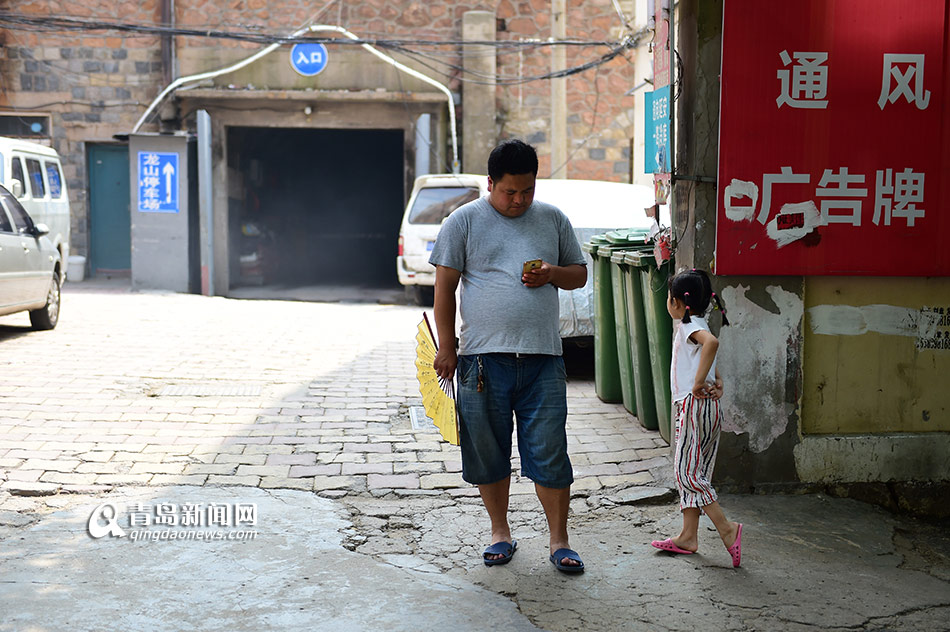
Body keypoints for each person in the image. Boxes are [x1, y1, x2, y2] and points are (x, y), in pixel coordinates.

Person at [429, 139, 588, 573]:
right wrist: (448, 346)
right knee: (488, 451)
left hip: (544, 360)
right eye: (509, 192)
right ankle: (500, 532)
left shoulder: (553, 219)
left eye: (527, 191)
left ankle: (560, 541)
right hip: (482, 361)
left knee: (550, 451)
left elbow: (579, 274)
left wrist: (552, 273)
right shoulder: (462, 222)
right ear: (490, 183)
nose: (519, 200)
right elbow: (444, 289)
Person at [651, 269, 743, 567]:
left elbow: (711, 344)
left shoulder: (689, 326)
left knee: (687, 473)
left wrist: (697, 382)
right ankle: (688, 536)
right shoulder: (697, 322)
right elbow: (708, 352)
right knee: (697, 470)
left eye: (669, 297)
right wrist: (717, 380)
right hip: (706, 408)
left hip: (692, 405)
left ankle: (727, 529)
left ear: (677, 303)